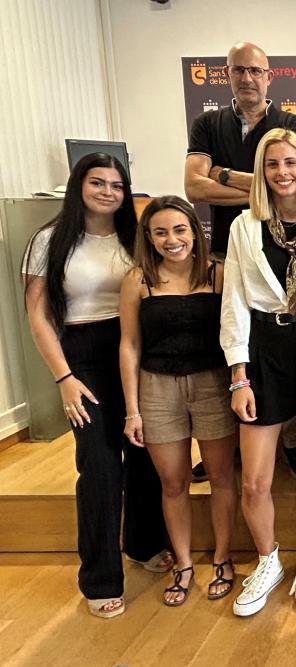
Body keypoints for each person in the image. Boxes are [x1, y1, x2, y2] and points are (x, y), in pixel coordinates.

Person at [22, 153, 171, 619]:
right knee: (101, 467)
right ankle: (100, 578)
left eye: (116, 185)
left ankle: (144, 544)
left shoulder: (134, 236)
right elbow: (38, 315)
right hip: (82, 355)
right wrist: (64, 378)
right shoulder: (49, 240)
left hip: (135, 347)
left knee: (146, 455)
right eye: (97, 183)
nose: (108, 192)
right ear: (78, 186)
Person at [221, 128, 296, 616]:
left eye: (291, 162)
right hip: (265, 346)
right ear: (261, 171)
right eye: (272, 164)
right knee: (255, 478)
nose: (282, 172)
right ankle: (268, 560)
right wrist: (238, 375)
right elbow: (234, 301)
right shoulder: (244, 225)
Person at [184, 40, 296, 482]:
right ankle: (232, 444)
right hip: (224, 252)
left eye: (256, 71)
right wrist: (259, 185)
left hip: (281, 251)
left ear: (269, 77)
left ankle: (292, 443)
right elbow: (193, 187)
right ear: (227, 75)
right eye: (239, 70)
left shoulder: (291, 123)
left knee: (281, 353)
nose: (247, 78)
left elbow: (288, 183)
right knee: (232, 347)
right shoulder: (208, 123)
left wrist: (221, 173)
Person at [119, 196, 238, 606]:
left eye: (179, 229)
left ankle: (222, 557)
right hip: (157, 388)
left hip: (212, 383)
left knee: (221, 477)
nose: (172, 240)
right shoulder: (138, 280)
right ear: (149, 237)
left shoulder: (219, 273)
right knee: (173, 482)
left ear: (195, 231)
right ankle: (184, 564)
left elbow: (235, 331)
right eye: (161, 232)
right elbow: (129, 345)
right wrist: (132, 409)